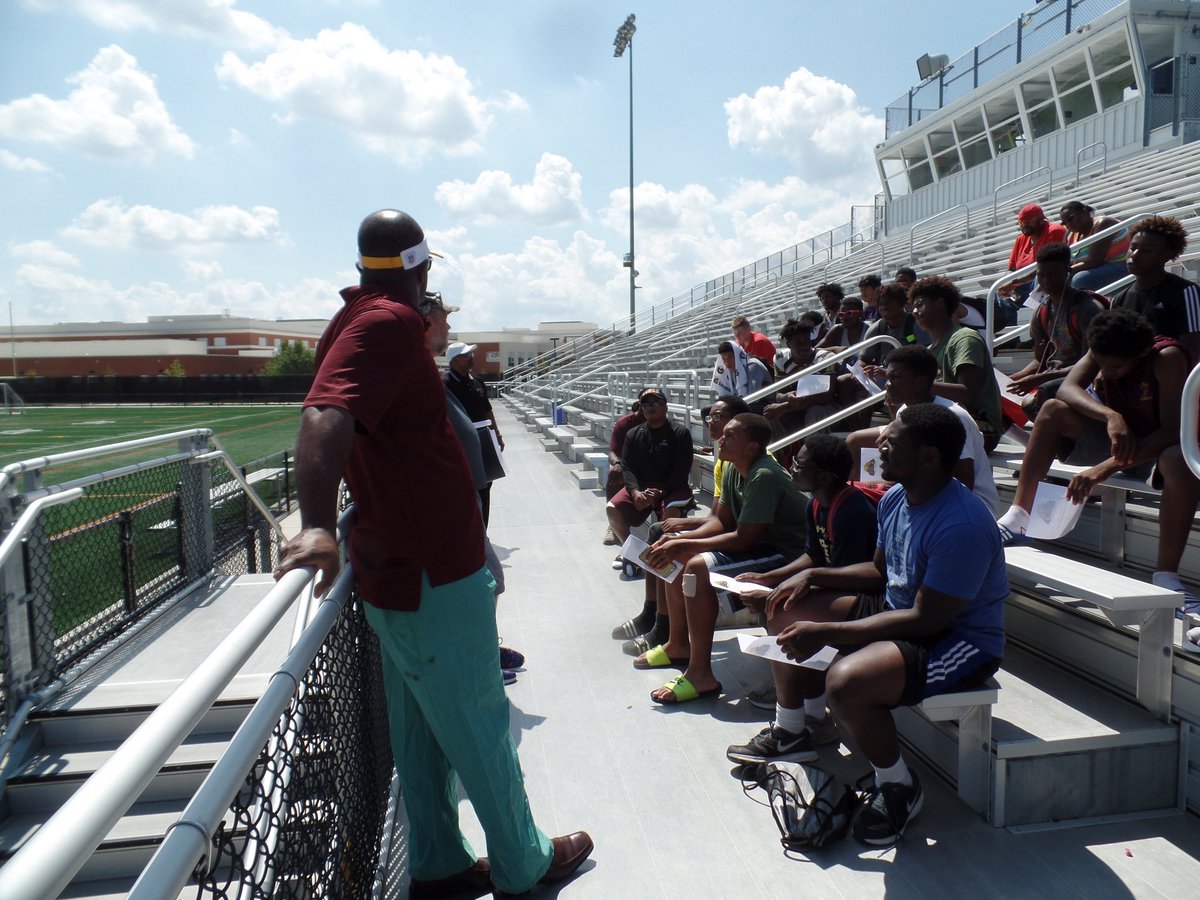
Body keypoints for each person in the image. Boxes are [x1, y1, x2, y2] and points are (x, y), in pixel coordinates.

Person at [276, 209, 590, 896]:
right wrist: (318, 524)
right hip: (431, 571)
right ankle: (524, 860)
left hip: (405, 567)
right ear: (419, 268)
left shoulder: (360, 315)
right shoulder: (387, 322)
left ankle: (439, 863)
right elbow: (326, 414)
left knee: (419, 733)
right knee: (478, 719)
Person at [736, 403, 1006, 844]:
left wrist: (826, 634)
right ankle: (792, 729)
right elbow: (880, 573)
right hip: (899, 611)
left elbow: (925, 620)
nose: (878, 443)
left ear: (928, 457)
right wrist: (811, 574)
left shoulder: (963, 524)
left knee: (846, 682)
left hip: (956, 640)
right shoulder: (897, 496)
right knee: (784, 608)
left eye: (892, 441)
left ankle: (897, 784)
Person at [995, 308, 1200, 613]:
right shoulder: (1104, 347)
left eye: (1116, 367)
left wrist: (1102, 470)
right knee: (1051, 409)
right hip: (1120, 437)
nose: (1108, 372)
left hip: (1157, 447)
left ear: (1141, 352)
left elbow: (1173, 432)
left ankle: (1166, 576)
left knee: (1176, 459)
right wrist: (1110, 416)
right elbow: (1067, 388)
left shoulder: (1166, 358)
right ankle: (1018, 518)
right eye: (1102, 365)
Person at [726, 435, 878, 760]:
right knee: (778, 606)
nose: (791, 466)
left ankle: (791, 730)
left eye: (799, 463)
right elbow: (813, 556)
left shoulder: (852, 510)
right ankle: (814, 717)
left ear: (823, 477)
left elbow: (846, 576)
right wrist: (769, 579)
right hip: (839, 589)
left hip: (868, 597)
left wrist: (780, 592)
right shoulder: (814, 503)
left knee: (781, 611)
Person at [639, 413, 808, 704]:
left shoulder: (763, 474)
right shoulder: (732, 467)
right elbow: (721, 521)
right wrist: (681, 542)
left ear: (752, 448)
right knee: (680, 554)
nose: (720, 439)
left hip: (786, 554)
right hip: (760, 547)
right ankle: (678, 644)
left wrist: (683, 547)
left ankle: (700, 675)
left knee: (695, 566)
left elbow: (745, 538)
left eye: (730, 436)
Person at [420, 291, 525, 684]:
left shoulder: (439, 375)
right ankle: (479, 659)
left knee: (487, 582)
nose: (448, 327)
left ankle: (484, 650)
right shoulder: (428, 375)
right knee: (484, 583)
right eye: (444, 321)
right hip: (446, 506)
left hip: (464, 492)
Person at [616, 396, 752, 654]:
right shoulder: (723, 461)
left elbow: (737, 528)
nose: (710, 422)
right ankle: (653, 612)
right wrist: (678, 531)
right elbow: (717, 516)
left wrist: (683, 540)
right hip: (731, 529)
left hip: (753, 542)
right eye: (709, 417)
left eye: (718, 417)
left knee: (672, 546)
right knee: (660, 531)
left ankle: (668, 631)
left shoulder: (752, 466)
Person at [848, 346, 999, 515]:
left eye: (895, 377)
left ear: (920, 382)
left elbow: (964, 482)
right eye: (887, 377)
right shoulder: (904, 411)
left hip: (969, 507)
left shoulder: (953, 416)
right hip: (925, 495)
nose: (888, 384)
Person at [1005, 242, 1106, 417]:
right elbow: (1040, 360)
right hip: (1051, 378)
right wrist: (1013, 379)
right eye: (1041, 275)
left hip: (1082, 380)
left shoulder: (1087, 309)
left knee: (1041, 396)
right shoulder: (1041, 311)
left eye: (1054, 275)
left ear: (1067, 273)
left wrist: (1040, 378)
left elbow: (1091, 364)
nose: (1046, 281)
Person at [910, 275, 1003, 452]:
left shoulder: (965, 338)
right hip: (946, 420)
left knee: (904, 442)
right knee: (860, 440)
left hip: (981, 427)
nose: (914, 311)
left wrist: (918, 385)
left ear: (939, 303)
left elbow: (969, 393)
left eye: (919, 304)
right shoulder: (931, 349)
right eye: (913, 307)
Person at [605, 386, 694, 557]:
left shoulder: (680, 433)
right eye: (646, 404)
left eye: (656, 402)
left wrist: (662, 492)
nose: (651, 407)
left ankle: (657, 554)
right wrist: (635, 492)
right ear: (641, 408)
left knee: (670, 518)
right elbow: (628, 468)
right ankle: (632, 552)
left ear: (665, 407)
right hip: (643, 487)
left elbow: (681, 472)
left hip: (672, 488)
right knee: (612, 508)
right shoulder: (633, 433)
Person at [1108, 215, 1200, 364]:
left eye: (1147, 251)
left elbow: (1192, 353)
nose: (1134, 255)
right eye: (1133, 248)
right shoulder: (1119, 299)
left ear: (1167, 255)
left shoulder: (1186, 292)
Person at [445, 341, 504, 526]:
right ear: (454, 361)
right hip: (460, 444)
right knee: (465, 489)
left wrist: (497, 434)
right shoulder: (444, 384)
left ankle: (482, 531)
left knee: (485, 485)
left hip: (483, 441)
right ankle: (469, 531)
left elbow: (487, 409)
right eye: (466, 355)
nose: (471, 357)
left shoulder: (477, 381)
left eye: (471, 354)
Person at [1000, 204, 1068, 313]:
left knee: (1041, 276)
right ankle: (1006, 325)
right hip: (1021, 284)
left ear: (1041, 219)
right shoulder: (1020, 239)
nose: (1024, 225)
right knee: (999, 290)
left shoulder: (1054, 231)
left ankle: (1041, 316)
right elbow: (1011, 269)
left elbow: (1048, 266)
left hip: (1047, 280)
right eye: (1021, 222)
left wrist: (1013, 283)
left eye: (1028, 221)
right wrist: (1007, 283)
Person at [1059, 200, 1129, 292]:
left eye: (1070, 219)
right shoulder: (1071, 234)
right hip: (1092, 268)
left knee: (1080, 279)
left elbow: (1094, 261)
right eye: (1064, 223)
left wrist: (1066, 270)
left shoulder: (1104, 223)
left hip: (1118, 266)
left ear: (1084, 211)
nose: (1068, 225)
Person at [603, 400, 645, 546]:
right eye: (645, 405)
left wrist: (696, 450)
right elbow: (612, 452)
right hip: (628, 467)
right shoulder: (624, 423)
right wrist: (618, 463)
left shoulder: (660, 423)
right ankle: (613, 525)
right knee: (613, 473)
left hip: (650, 469)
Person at [713, 340, 772, 404]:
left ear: (737, 355)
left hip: (764, 405)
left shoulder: (752, 365)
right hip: (745, 403)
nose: (727, 363)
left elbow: (752, 398)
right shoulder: (730, 372)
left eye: (730, 357)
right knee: (707, 409)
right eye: (724, 359)